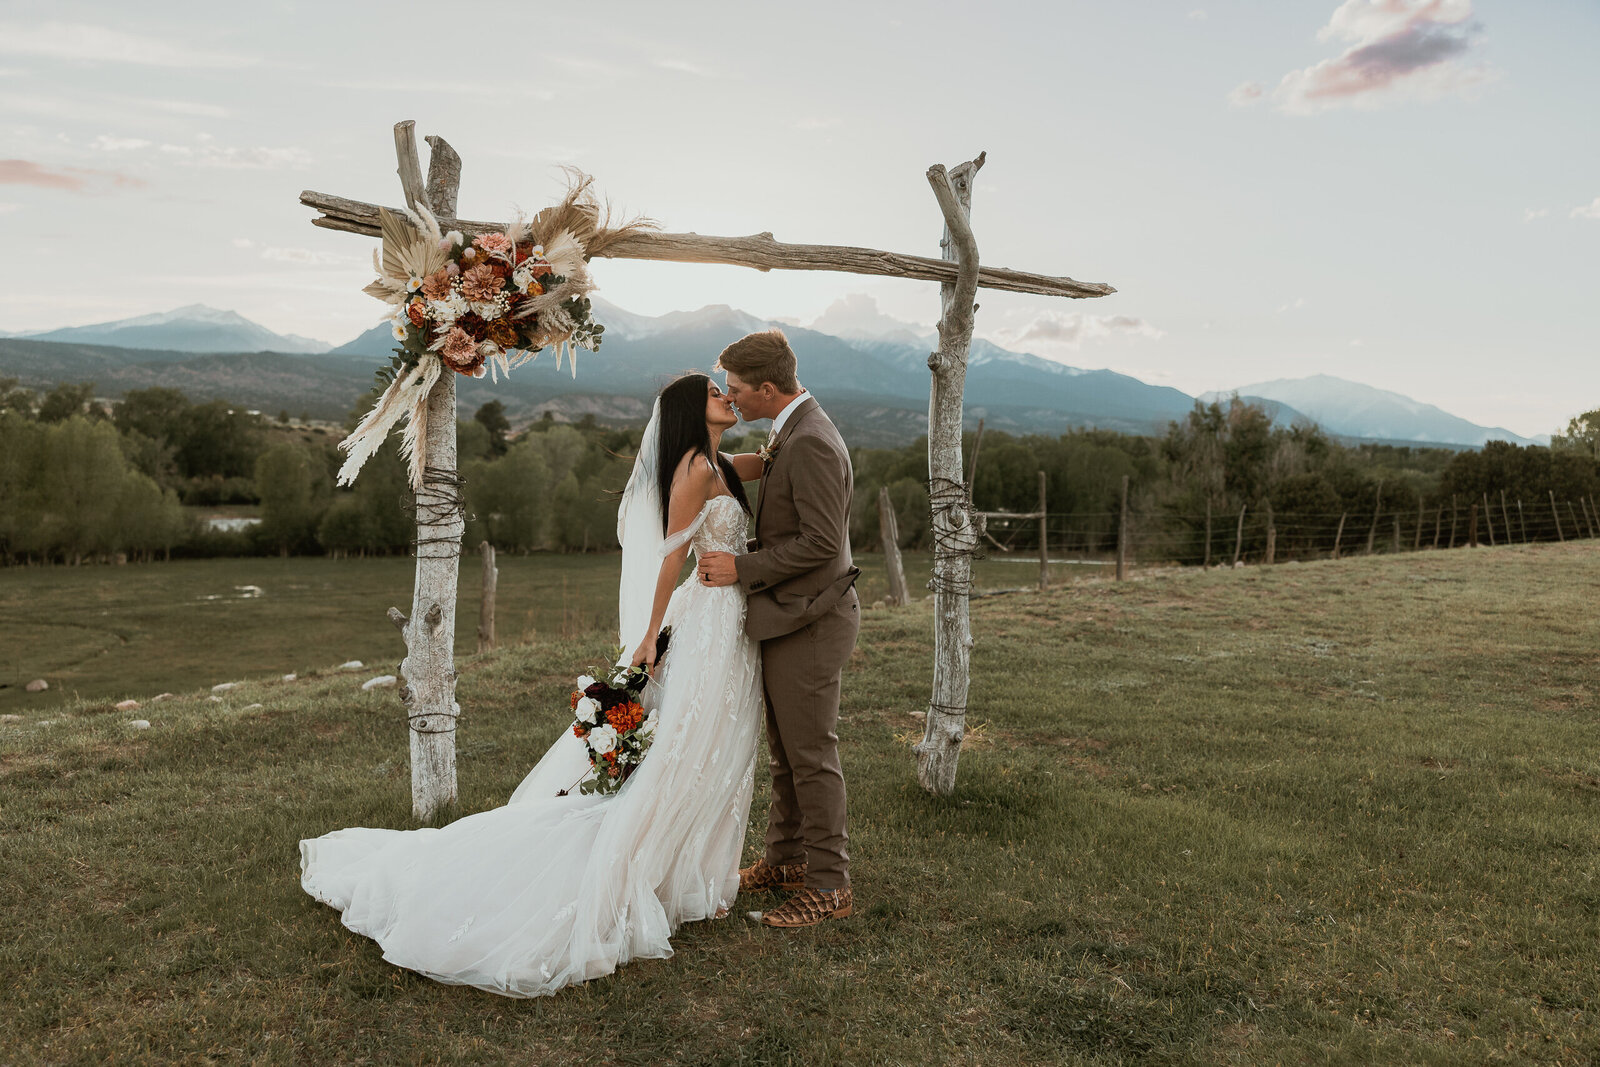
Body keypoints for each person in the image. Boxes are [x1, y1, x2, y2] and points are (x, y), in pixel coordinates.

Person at [298, 373, 764, 998]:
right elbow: (670, 558)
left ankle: (693, 872)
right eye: (716, 393)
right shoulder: (694, 470)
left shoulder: (717, 463)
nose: (728, 399)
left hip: (727, 619)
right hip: (703, 620)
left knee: (710, 749)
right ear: (688, 411)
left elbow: (769, 459)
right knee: (685, 752)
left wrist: (791, 419)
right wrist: (651, 637)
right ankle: (659, 872)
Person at [698, 328, 861, 928]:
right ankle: (785, 860)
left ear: (769, 388)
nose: (732, 398)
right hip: (789, 614)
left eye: (738, 389)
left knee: (811, 754)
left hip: (812, 617)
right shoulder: (789, 428)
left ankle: (829, 884)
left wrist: (741, 568)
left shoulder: (813, 441)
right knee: (785, 752)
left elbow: (822, 543)